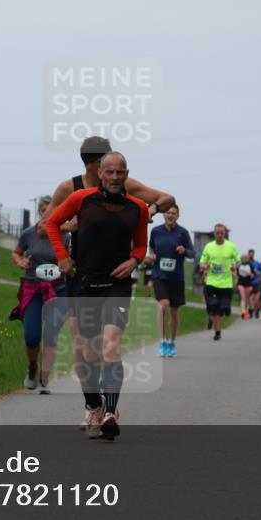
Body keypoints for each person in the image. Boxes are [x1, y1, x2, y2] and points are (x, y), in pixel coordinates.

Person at [41, 136, 175, 432]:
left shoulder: (134, 203)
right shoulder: (75, 193)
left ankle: (110, 414)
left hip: (117, 280)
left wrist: (137, 252)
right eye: (108, 169)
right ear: (96, 168)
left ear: (125, 173)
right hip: (83, 277)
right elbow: (46, 225)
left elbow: (143, 238)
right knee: (86, 349)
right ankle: (93, 404)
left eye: (119, 171)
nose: (114, 176)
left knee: (111, 343)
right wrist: (64, 248)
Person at [11, 196, 70, 394]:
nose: (49, 213)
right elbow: (16, 252)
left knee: (51, 336)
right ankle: (32, 367)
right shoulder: (29, 233)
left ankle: (45, 377)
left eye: (53, 209)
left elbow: (72, 259)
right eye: (45, 210)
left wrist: (69, 263)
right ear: (40, 212)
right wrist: (20, 261)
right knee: (32, 336)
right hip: (34, 289)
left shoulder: (65, 235)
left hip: (58, 290)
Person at [148, 205, 194, 357]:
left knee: (174, 312)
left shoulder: (183, 233)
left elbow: (192, 253)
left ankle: (171, 342)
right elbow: (151, 247)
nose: (170, 215)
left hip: (176, 277)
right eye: (168, 213)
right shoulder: (156, 231)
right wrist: (152, 254)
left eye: (173, 213)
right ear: (164, 215)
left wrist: (184, 250)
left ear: (178, 215)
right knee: (163, 306)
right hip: (159, 275)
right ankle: (162, 341)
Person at [199, 224, 239, 341]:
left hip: (226, 284)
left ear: (225, 234)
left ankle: (215, 316)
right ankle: (217, 332)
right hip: (212, 282)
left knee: (224, 310)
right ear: (214, 233)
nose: (220, 235)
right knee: (214, 307)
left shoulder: (231, 246)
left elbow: (238, 260)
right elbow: (202, 263)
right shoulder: (209, 247)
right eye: (218, 233)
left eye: (222, 233)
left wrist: (235, 266)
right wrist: (204, 266)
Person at [235, 253, 255, 319]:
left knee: (248, 299)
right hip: (241, 284)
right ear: (241, 259)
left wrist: (249, 274)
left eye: (246, 258)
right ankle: (243, 312)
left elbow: (253, 276)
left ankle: (250, 310)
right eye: (243, 258)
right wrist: (236, 280)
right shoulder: (239, 265)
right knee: (243, 298)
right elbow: (236, 274)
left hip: (249, 284)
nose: (244, 259)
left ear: (248, 259)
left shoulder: (250, 265)